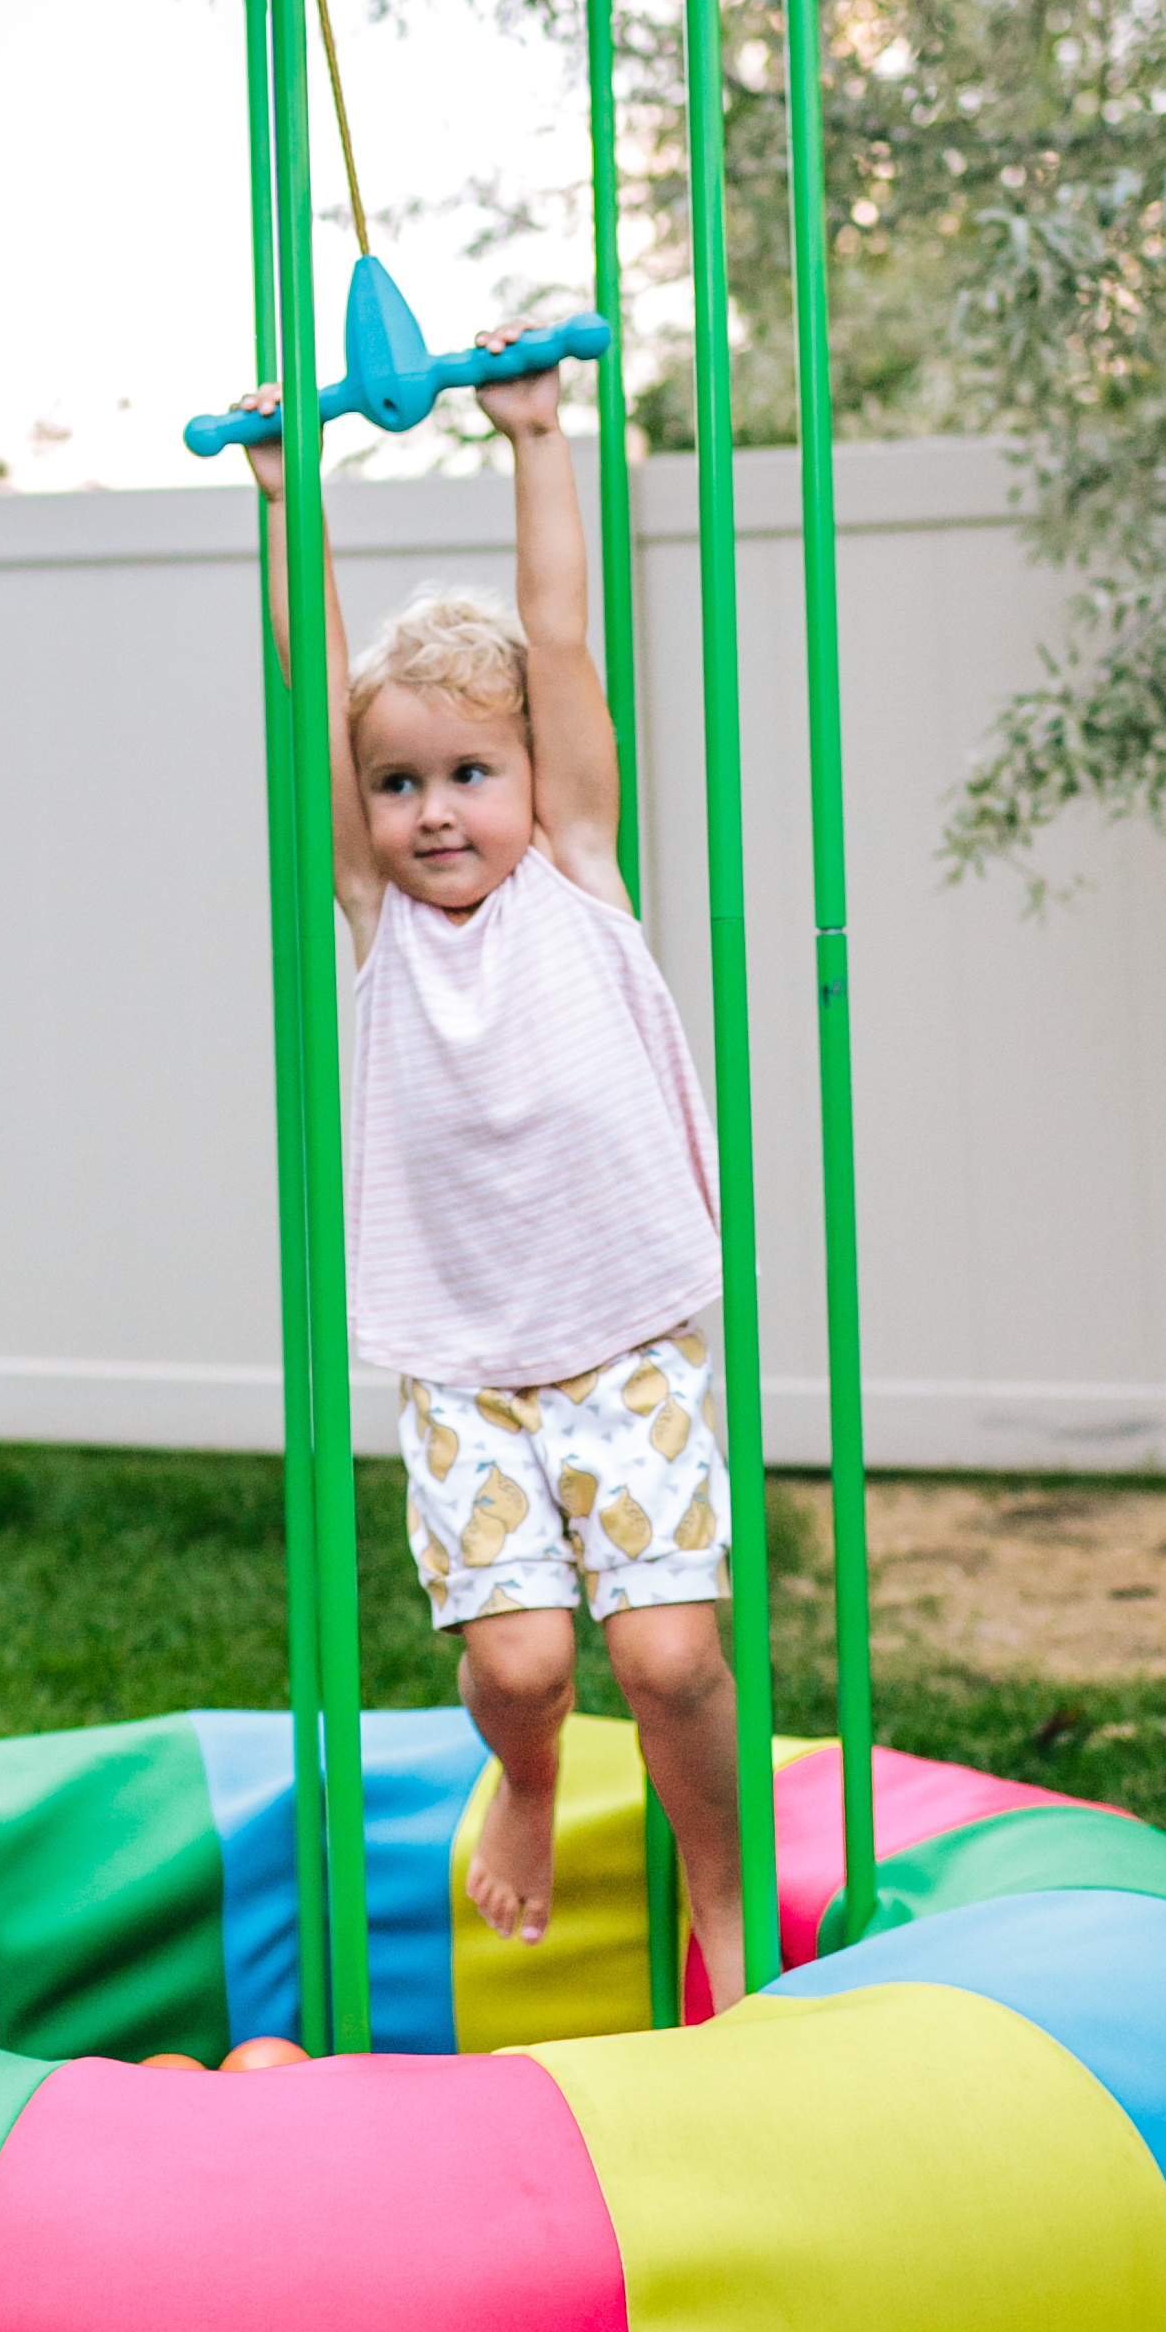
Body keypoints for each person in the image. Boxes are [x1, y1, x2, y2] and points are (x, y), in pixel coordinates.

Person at [237, 329, 745, 2009]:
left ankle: (718, 1897)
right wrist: (282, 498)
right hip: (469, 1361)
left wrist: (539, 439)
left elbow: (564, 641)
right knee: (524, 1666)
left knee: (667, 1654)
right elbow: (310, 686)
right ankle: (527, 1780)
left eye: (470, 773)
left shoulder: (577, 872)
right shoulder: (378, 922)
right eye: (400, 784)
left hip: (629, 1331)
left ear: (534, 780)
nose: (435, 810)